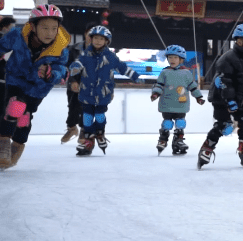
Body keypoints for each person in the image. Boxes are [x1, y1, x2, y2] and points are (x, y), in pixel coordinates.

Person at [0, 6, 69, 170]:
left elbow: (62, 69)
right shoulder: (18, 35)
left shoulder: (61, 47)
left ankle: (18, 144)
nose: (50, 33)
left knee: (25, 117)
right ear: (33, 26)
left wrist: (51, 73)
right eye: (45, 28)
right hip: (17, 79)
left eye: (54, 28)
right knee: (15, 106)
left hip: (38, 87)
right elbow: (1, 45)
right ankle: (4, 142)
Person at [197, 23, 243, 169]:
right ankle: (207, 148)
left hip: (241, 97)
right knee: (225, 126)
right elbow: (224, 82)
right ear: (240, 42)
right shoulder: (228, 58)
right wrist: (230, 100)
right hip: (222, 98)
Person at [69, 26, 141, 156]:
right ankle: (88, 140)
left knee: (99, 115)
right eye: (95, 38)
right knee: (87, 116)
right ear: (91, 39)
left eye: (101, 39)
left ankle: (100, 133)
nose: (97, 41)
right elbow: (78, 63)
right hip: (86, 92)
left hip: (103, 93)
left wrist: (135, 77)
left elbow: (122, 68)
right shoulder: (85, 55)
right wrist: (74, 68)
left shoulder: (111, 57)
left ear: (107, 41)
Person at [151, 45, 205, 155]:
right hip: (167, 103)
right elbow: (159, 84)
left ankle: (178, 140)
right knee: (167, 123)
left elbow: (192, 86)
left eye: (175, 58)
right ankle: (163, 139)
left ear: (181, 59)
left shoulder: (186, 73)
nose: (172, 60)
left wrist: (198, 97)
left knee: (180, 123)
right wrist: (155, 94)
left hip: (181, 103)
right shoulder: (164, 72)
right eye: (170, 57)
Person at [61, 22, 97, 144]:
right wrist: (72, 81)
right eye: (90, 34)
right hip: (74, 84)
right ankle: (71, 128)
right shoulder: (74, 49)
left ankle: (83, 130)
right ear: (85, 34)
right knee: (73, 108)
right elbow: (66, 67)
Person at [0, 16, 16, 142]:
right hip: (0, 78)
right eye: (12, 27)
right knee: (0, 105)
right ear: (5, 27)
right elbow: (8, 59)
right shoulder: (5, 41)